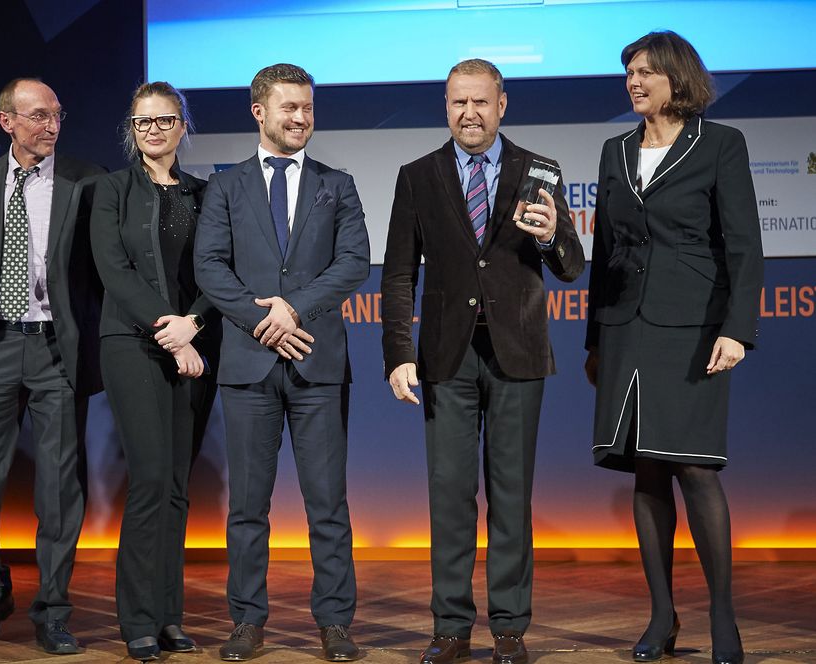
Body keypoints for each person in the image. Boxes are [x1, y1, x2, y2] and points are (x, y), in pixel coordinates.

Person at [381, 59, 585, 664]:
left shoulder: (538, 170)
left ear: (502, 105)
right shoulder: (417, 176)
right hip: (446, 358)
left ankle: (510, 628)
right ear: (446, 107)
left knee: (511, 495)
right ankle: (450, 627)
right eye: (457, 103)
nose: (468, 114)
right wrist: (398, 354)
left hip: (518, 354)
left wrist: (550, 235)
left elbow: (571, 265)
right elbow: (398, 275)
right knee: (449, 496)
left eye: (479, 102)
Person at [584, 31, 763, 664]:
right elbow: (606, 250)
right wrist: (594, 340)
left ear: (677, 78)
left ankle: (722, 617)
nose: (633, 82)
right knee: (647, 467)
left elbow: (744, 245)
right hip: (624, 327)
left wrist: (738, 330)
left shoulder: (720, 144)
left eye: (645, 72)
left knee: (695, 467)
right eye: (629, 72)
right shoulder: (615, 149)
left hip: (693, 326)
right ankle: (662, 616)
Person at [194, 63, 369, 662]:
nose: (301, 118)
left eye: (307, 108)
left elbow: (353, 262)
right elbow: (210, 266)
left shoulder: (337, 184)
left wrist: (292, 309)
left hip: (318, 363)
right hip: (248, 367)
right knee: (247, 508)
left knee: (328, 505)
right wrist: (261, 321)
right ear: (259, 112)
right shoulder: (224, 186)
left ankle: (335, 623)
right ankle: (247, 621)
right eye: (289, 107)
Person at [0, 77, 105, 654]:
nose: (51, 125)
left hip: (57, 348)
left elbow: (96, 272)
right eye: (39, 115)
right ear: (7, 122)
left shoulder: (86, 180)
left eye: (57, 114)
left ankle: (54, 610)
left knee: (60, 488)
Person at [90, 81, 220, 662]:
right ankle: (138, 620)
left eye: (165, 120)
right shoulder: (111, 190)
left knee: (176, 488)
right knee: (148, 481)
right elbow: (114, 271)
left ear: (182, 126)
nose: (154, 130)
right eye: (143, 121)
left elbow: (220, 271)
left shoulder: (205, 193)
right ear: (132, 129)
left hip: (194, 344)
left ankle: (169, 617)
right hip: (132, 344)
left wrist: (193, 324)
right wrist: (171, 334)